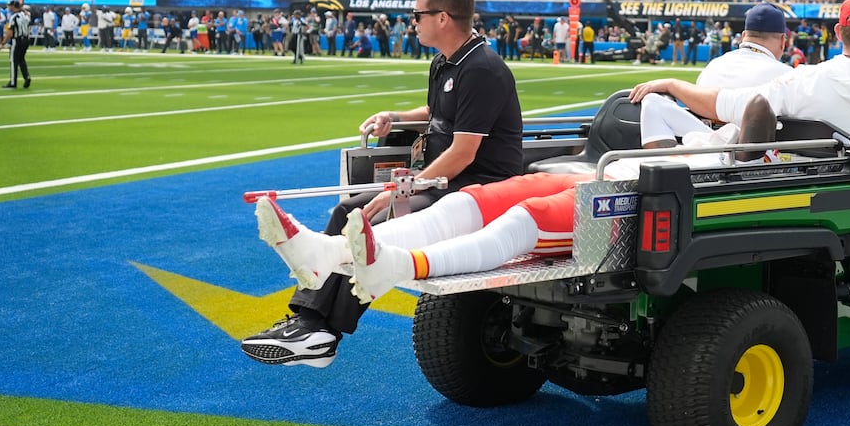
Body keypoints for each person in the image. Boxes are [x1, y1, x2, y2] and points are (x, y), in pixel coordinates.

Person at [631, 0, 850, 326]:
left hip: (831, 212)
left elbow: (724, 104)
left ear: (839, 32)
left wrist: (674, 85)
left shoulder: (803, 80)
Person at [242, 0, 525, 367]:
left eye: (417, 14)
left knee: (368, 217)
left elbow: (462, 153)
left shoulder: (482, 68)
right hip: (444, 180)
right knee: (349, 211)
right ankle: (310, 324)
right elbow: (438, 114)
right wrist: (395, 117)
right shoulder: (446, 61)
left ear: (442, 18)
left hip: (478, 187)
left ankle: (319, 331)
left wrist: (395, 192)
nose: (413, 21)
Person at [253, 99, 780, 304]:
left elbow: (758, 110)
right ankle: (326, 254)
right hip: (600, 174)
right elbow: (658, 110)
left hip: (631, 193)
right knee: (477, 201)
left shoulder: (744, 158)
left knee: (525, 220)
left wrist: (739, 139)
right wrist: (690, 108)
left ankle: (393, 263)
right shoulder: (699, 134)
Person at [639, 2, 795, 149]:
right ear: (783, 41)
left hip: (702, 154)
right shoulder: (788, 76)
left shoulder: (713, 66)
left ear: (743, 36)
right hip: (754, 164)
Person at [3, 0, 33, 90]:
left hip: (18, 40)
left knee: (13, 61)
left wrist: (3, 42)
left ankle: (13, 82)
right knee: (21, 59)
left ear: (13, 6)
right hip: (26, 39)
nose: (9, 7)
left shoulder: (14, 17)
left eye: (10, 6)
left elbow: (10, 32)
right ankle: (26, 76)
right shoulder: (26, 16)